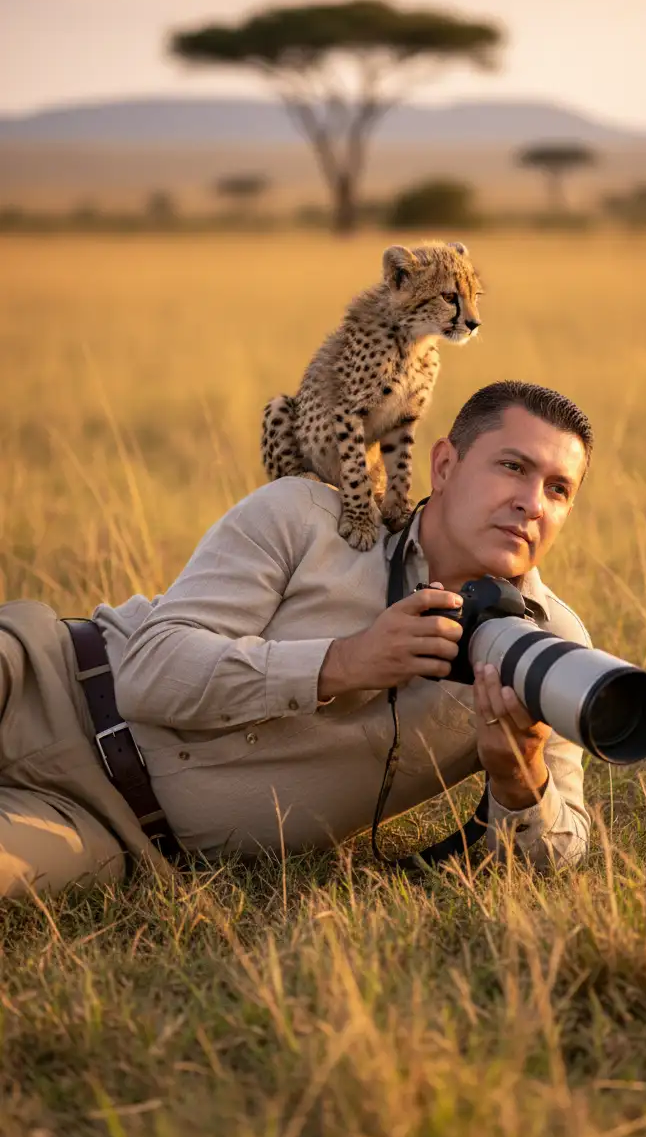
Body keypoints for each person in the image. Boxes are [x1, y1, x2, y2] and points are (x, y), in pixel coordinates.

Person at [0, 381, 595, 899]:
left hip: (100, 829)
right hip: (44, 682)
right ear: (444, 466)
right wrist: (344, 663)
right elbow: (148, 673)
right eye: (513, 467)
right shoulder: (305, 514)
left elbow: (561, 853)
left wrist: (521, 779)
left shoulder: (549, 651)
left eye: (559, 489)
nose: (531, 503)